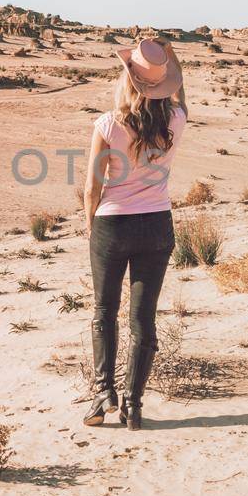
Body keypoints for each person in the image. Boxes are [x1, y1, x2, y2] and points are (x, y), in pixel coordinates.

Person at [80, 38, 187, 430]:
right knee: (143, 319)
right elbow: (180, 94)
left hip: (113, 223)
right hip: (157, 224)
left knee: (104, 310)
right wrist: (171, 59)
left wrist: (91, 224)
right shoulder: (175, 121)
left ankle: (102, 393)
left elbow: (92, 186)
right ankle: (134, 404)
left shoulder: (109, 124)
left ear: (128, 81)